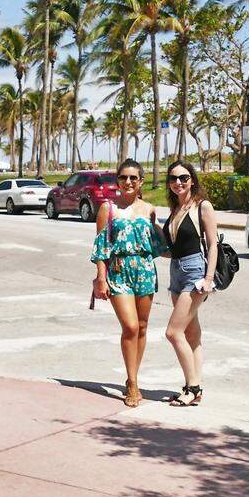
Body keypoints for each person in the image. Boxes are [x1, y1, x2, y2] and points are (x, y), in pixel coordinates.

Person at [90, 158, 164, 408]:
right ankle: (132, 383)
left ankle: (134, 375)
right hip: (119, 271)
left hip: (144, 271)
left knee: (142, 327)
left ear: (141, 181)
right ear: (118, 181)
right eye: (124, 178)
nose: (128, 182)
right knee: (130, 327)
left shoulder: (149, 209)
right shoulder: (107, 208)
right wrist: (101, 277)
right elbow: (100, 247)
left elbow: (157, 245)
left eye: (133, 177)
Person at [161, 160, 218, 407]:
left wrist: (207, 279)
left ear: (192, 180)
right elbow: (172, 250)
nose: (178, 183)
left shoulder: (202, 206)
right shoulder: (175, 209)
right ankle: (196, 386)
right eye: (173, 179)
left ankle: (192, 387)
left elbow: (213, 244)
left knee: (173, 332)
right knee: (192, 333)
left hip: (195, 272)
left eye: (183, 178)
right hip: (176, 270)